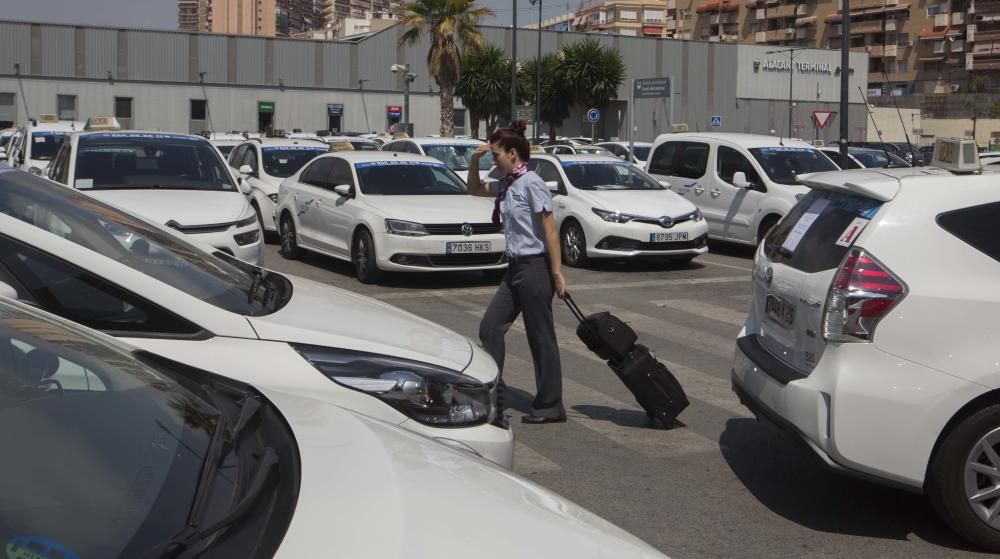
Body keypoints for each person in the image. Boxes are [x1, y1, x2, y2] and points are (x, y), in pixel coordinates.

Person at [468, 121, 567, 424]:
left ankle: (551, 404)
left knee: (541, 338)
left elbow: (550, 229)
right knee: (490, 327)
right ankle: (493, 393)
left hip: (535, 267)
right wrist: (474, 160)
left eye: (495, 155)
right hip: (514, 269)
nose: (493, 161)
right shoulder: (509, 183)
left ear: (513, 154)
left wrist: (557, 272)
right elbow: (474, 188)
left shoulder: (531, 182)